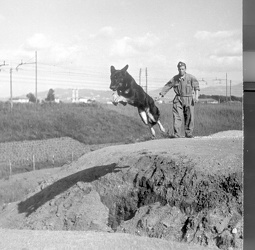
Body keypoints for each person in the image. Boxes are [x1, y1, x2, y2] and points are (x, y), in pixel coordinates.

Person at [157, 61, 200, 138]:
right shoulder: (175, 78)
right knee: (177, 116)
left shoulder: (191, 78)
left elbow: (196, 87)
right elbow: (168, 86)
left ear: (185, 69)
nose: (181, 70)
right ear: (178, 69)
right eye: (180, 69)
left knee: (189, 117)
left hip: (189, 98)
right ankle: (177, 134)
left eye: (183, 69)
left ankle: (189, 133)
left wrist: (196, 97)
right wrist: (161, 95)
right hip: (178, 99)